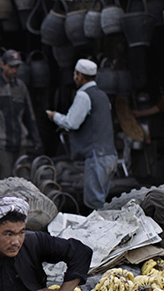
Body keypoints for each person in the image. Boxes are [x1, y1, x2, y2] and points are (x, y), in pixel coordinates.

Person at [46, 58, 118, 211]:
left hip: (96, 156)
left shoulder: (84, 95)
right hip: (109, 155)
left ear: (79, 76)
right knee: (101, 201)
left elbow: (72, 123)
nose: (74, 77)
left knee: (95, 204)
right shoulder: (103, 95)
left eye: (75, 74)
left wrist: (55, 116)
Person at [0, 49, 43, 178]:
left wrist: (36, 140)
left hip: (20, 143)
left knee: (23, 182)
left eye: (17, 67)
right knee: (4, 183)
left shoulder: (21, 87)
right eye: (11, 66)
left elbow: (29, 116)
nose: (14, 70)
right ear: (2, 64)